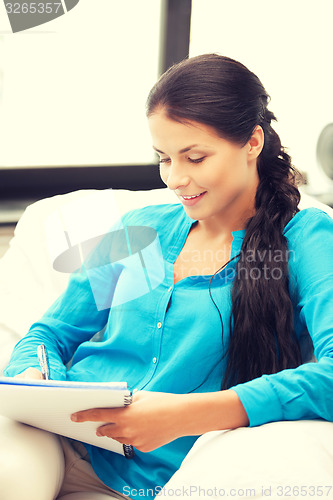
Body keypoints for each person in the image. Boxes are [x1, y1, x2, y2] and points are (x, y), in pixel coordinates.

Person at [1, 53, 333, 500]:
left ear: (252, 142)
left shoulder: (306, 238)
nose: (175, 179)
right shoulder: (142, 230)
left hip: (192, 472)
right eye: (163, 158)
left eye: (195, 157)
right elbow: (51, 333)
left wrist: (186, 415)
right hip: (70, 448)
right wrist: (33, 379)